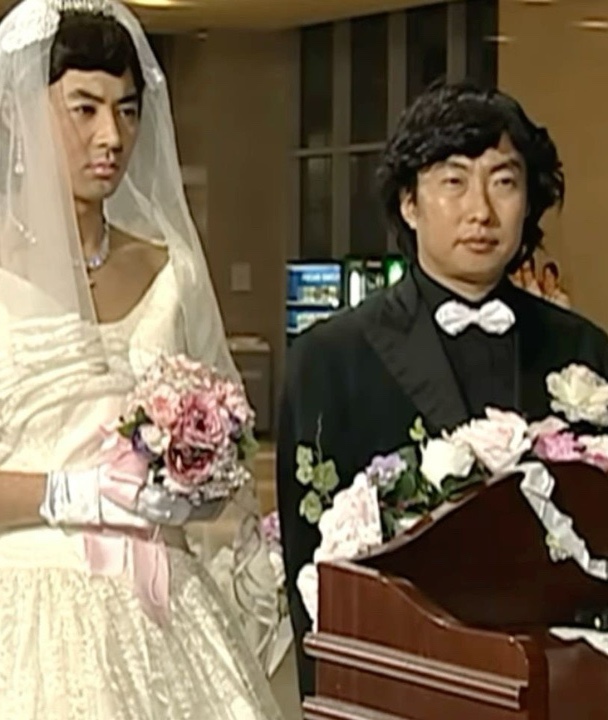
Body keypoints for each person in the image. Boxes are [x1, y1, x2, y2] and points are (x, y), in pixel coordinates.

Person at [0, 1, 285, 717]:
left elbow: (227, 440)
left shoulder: (172, 272)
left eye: (128, 111)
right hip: (12, 611)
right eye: (84, 109)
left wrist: (194, 483)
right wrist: (64, 494)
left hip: (160, 600)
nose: (112, 137)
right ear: (17, 115)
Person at [276, 80, 608, 699]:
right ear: (409, 202)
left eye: (503, 182)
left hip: (560, 686)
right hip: (403, 683)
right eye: (453, 181)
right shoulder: (331, 359)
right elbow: (312, 575)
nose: (481, 210)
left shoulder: (584, 352)